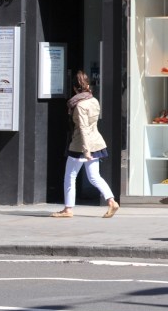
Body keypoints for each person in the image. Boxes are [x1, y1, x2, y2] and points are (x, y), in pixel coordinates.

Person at [51, 70, 119, 219]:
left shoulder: (80, 105)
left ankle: (68, 209)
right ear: (87, 85)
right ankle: (111, 201)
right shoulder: (94, 101)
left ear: (75, 89)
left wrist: (86, 150)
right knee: (94, 176)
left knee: (70, 176)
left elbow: (83, 128)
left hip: (81, 145)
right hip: (96, 142)